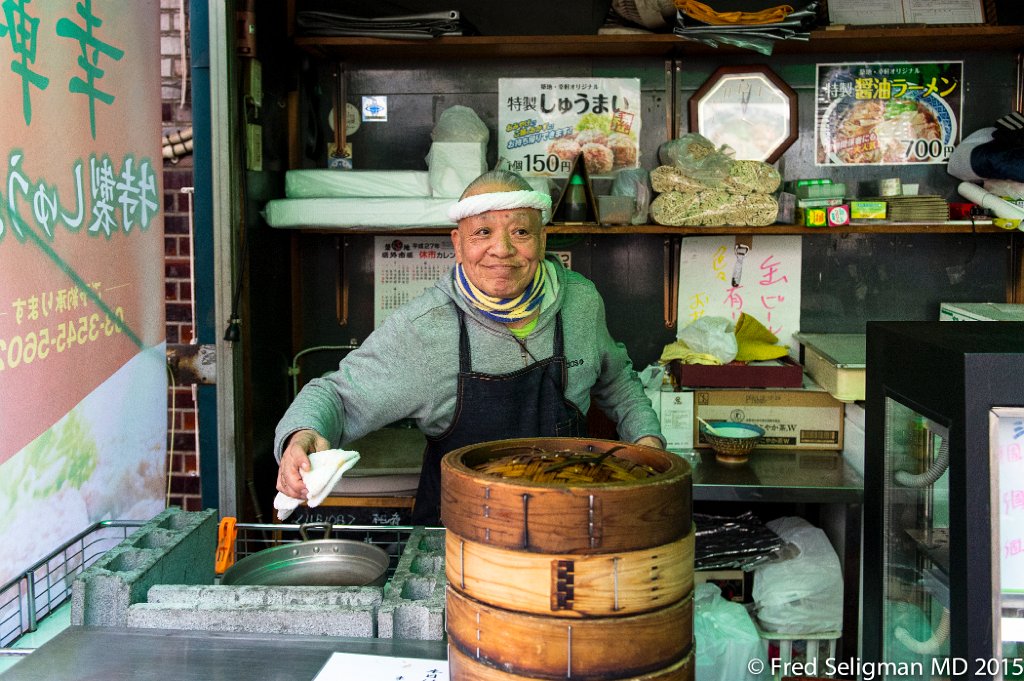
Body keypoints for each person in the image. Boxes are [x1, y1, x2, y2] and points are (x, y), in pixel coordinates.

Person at [274, 169, 664, 525]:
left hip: (563, 522)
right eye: (483, 233)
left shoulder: (581, 301)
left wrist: (647, 441)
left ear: (543, 239)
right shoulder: (424, 329)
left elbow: (616, 381)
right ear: (458, 245)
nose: (502, 250)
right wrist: (303, 436)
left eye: (521, 232)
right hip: (458, 534)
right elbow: (337, 396)